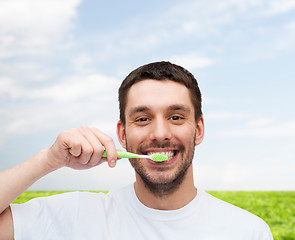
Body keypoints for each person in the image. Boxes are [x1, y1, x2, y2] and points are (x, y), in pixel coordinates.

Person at [0, 61, 273, 239]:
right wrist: (47, 160)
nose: (160, 133)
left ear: (198, 130)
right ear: (122, 134)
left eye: (176, 117)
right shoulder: (75, 216)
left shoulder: (247, 231)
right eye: (142, 119)